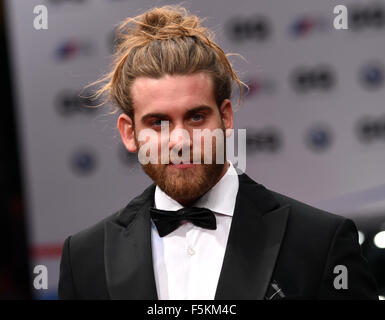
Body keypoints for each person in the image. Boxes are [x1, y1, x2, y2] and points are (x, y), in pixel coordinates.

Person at [58, 5, 378, 300]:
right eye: (158, 122)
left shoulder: (319, 243)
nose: (180, 140)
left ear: (225, 118)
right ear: (129, 133)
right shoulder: (85, 258)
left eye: (196, 117)